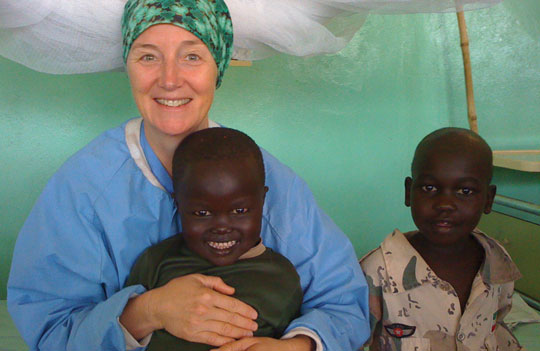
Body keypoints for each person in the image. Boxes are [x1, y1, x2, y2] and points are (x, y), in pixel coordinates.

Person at [7, 0, 369, 350]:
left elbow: (344, 302)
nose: (169, 79)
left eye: (192, 56)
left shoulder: (270, 181)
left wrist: (299, 346)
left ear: (220, 64)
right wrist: (149, 311)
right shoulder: (84, 189)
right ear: (127, 65)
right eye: (148, 56)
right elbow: (50, 326)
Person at [125, 127, 303, 351]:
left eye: (239, 211)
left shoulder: (282, 279)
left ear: (263, 200)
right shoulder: (156, 262)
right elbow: (118, 336)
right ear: (178, 204)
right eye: (202, 213)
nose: (221, 227)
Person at [360, 127, 522, 351]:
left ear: (489, 199)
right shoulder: (375, 273)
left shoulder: (497, 261)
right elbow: (350, 340)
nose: (445, 204)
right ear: (409, 192)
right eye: (430, 187)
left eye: (465, 191)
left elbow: (497, 325)